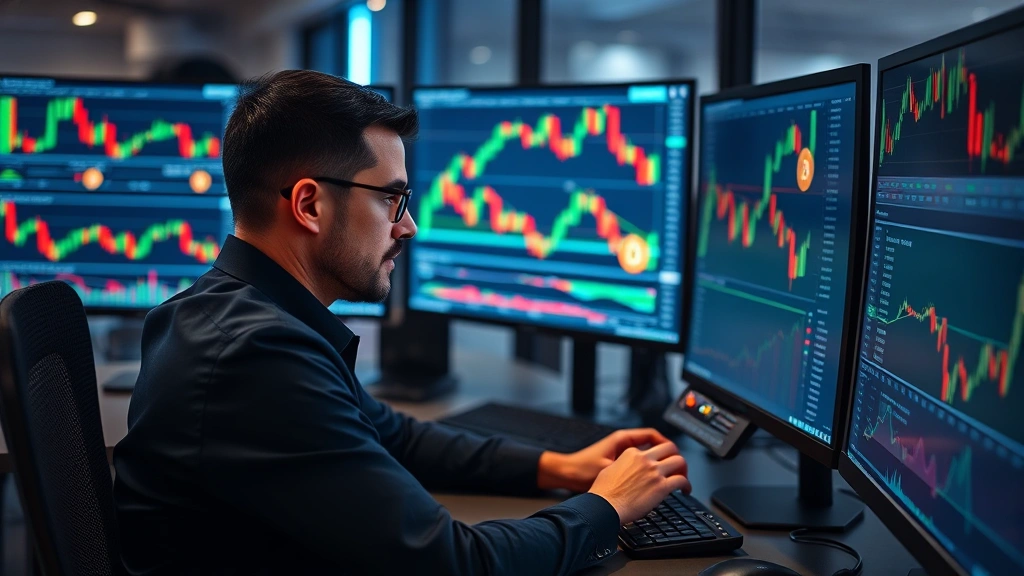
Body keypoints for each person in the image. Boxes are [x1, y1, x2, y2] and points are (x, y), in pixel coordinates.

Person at [112, 70, 692, 576]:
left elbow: (393, 433)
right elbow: (455, 563)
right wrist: (606, 507)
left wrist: (558, 466)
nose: (408, 226)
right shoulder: (255, 357)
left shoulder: (238, 312)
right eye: (392, 199)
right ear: (309, 205)